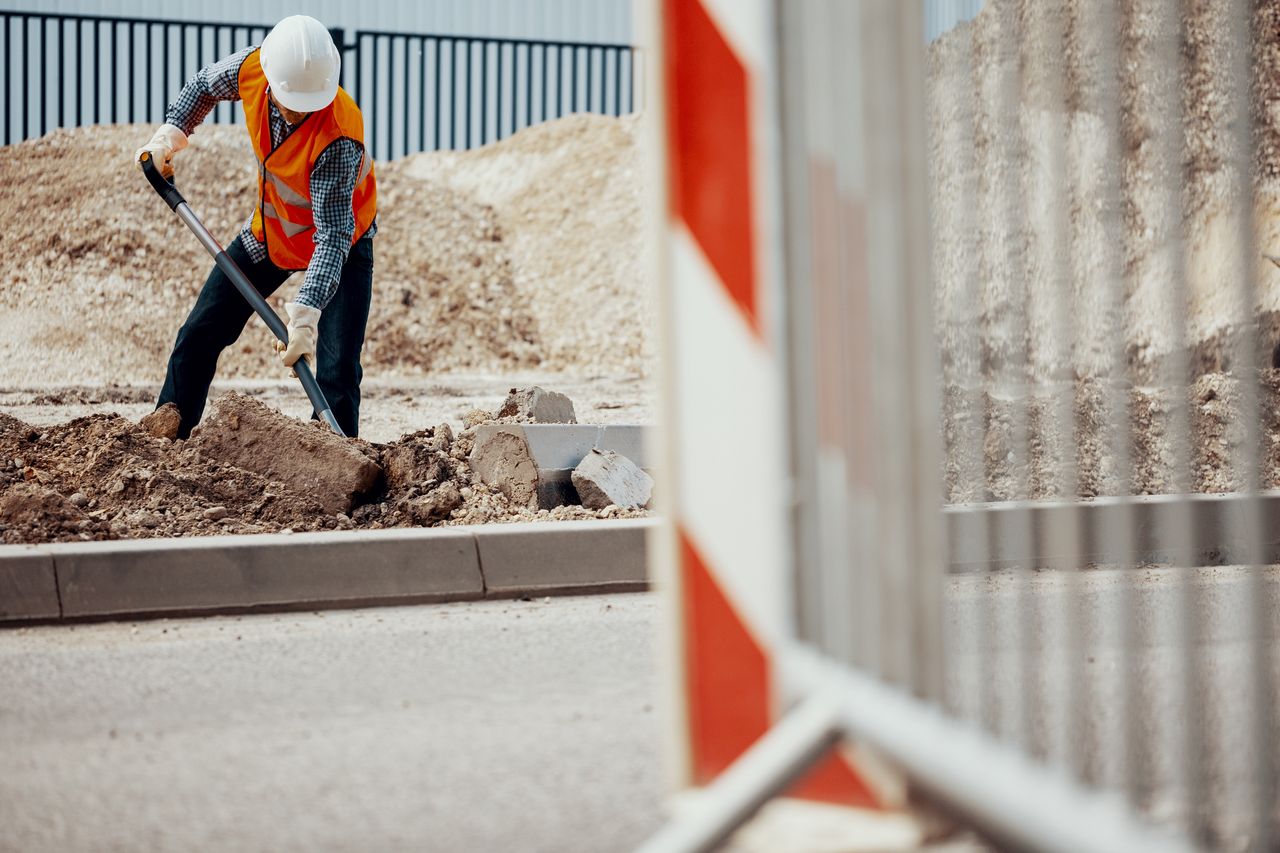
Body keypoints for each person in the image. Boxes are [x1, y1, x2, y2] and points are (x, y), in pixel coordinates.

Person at [136, 14, 377, 438]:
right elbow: (203, 86)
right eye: (291, 101)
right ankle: (166, 435)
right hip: (271, 235)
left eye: (309, 104)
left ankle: (338, 470)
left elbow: (333, 236)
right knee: (198, 334)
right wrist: (169, 136)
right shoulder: (253, 70)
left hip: (343, 246)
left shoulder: (339, 134)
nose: (300, 112)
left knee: (336, 371)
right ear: (271, 78)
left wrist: (304, 316)